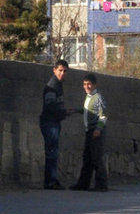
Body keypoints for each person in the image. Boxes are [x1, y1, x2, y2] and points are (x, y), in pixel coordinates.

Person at [70, 74, 108, 192]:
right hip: (89, 131)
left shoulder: (98, 97)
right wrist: (77, 110)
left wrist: (98, 129)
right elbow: (89, 111)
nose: (87, 87)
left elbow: (103, 115)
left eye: (89, 84)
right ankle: (83, 183)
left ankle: (101, 184)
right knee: (87, 158)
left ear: (94, 85)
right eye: (85, 84)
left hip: (95, 131)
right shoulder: (88, 97)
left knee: (96, 158)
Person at [40, 59, 73, 190]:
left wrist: (64, 113)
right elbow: (50, 107)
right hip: (50, 123)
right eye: (60, 70)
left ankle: (51, 180)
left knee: (53, 151)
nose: (62, 73)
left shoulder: (58, 85)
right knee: (52, 152)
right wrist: (64, 112)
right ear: (54, 70)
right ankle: (50, 182)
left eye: (65, 71)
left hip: (54, 122)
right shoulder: (52, 85)